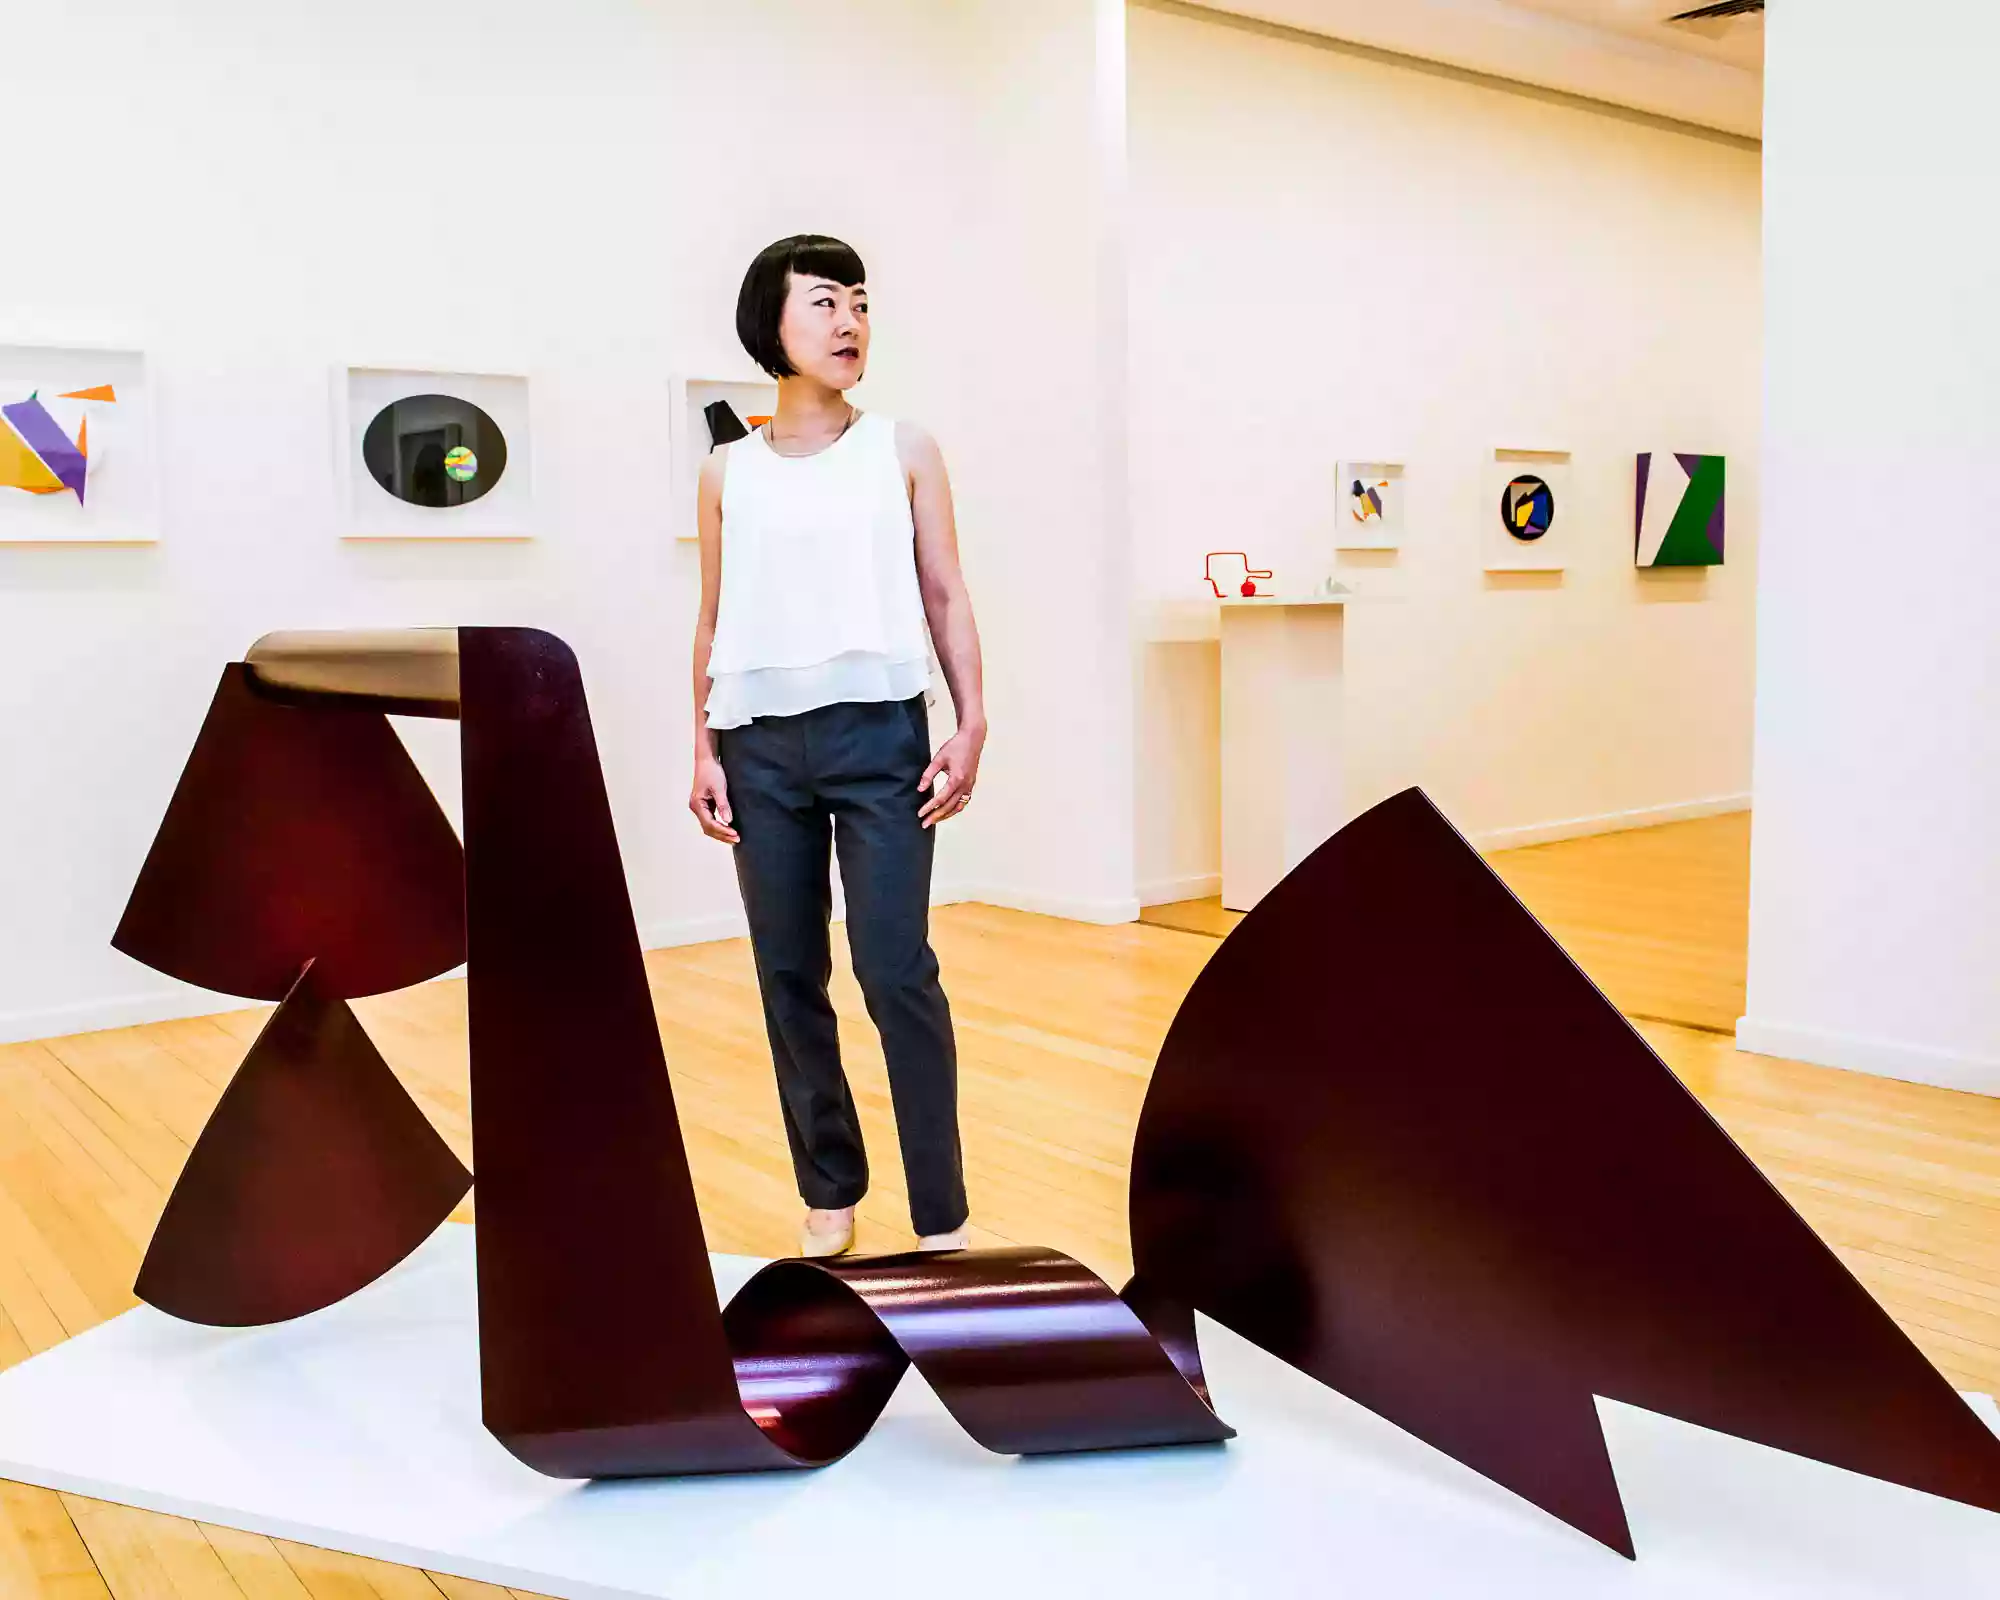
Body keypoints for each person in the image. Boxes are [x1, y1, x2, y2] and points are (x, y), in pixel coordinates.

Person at [689, 234, 986, 1259]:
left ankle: (940, 1210)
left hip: (881, 738)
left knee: (895, 969)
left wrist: (970, 720)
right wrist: (702, 748)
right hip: (757, 748)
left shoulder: (903, 449)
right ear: (769, 326)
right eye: (823, 302)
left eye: (858, 301)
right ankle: (828, 1187)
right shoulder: (726, 471)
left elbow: (945, 590)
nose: (849, 321)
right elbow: (713, 615)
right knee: (788, 973)